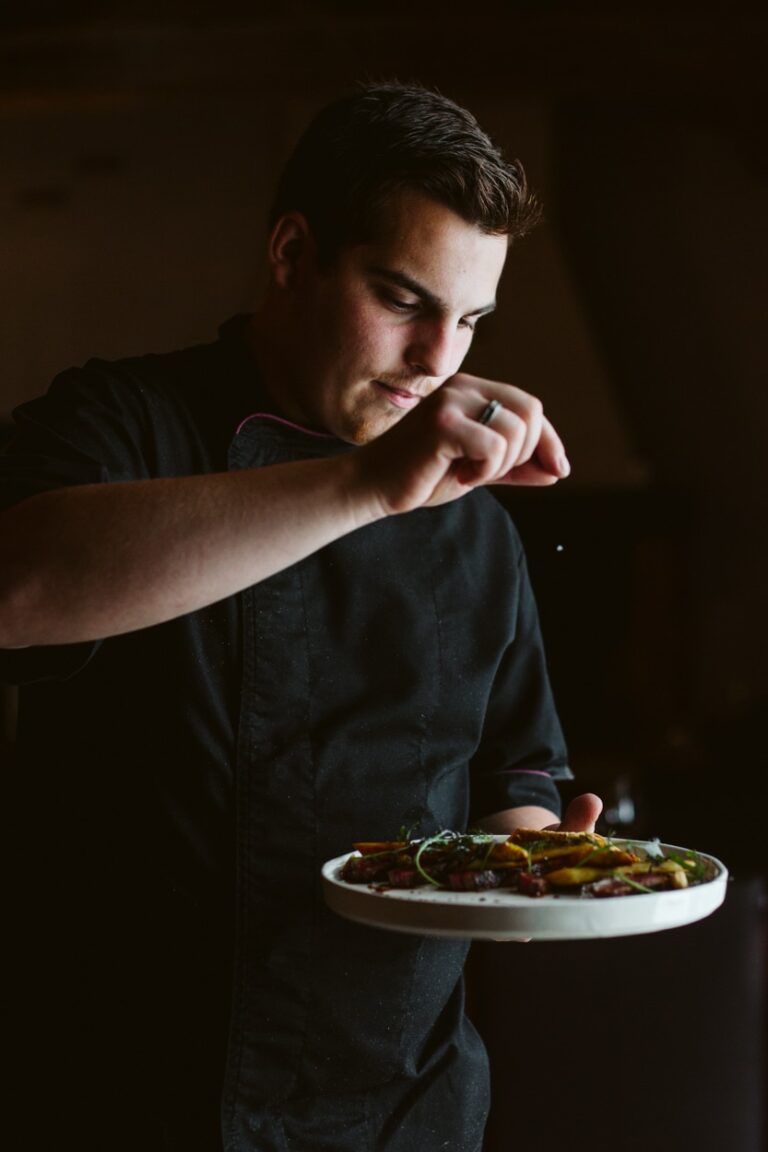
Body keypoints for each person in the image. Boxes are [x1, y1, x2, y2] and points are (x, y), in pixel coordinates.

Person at [0, 83, 601, 1151]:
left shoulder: (475, 525)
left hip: (399, 1106)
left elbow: (518, 774)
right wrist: (371, 483)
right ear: (291, 254)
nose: (438, 360)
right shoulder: (120, 420)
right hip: (124, 1090)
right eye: (404, 299)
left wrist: (537, 870)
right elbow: (19, 590)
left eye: (470, 321)